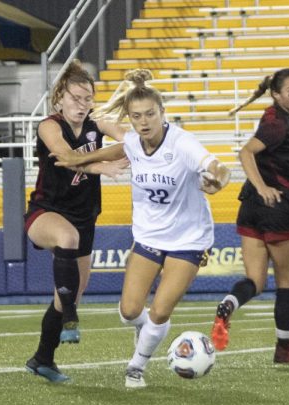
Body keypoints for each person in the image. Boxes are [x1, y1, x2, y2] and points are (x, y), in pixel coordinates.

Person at [53, 69, 230, 388]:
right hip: (148, 237)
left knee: (160, 310)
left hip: (188, 239)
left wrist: (218, 179)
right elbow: (119, 150)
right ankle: (148, 332)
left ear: (162, 113)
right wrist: (78, 160)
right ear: (131, 119)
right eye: (137, 116)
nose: (144, 121)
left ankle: (137, 365)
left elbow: (216, 166)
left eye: (150, 114)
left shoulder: (182, 143)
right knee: (129, 311)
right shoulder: (134, 142)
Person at [211, 68, 289, 363]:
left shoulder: (275, 118)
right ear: (276, 94)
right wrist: (264, 186)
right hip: (278, 207)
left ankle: (229, 303)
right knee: (286, 282)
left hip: (251, 208)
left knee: (254, 280)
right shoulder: (278, 123)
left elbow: (276, 152)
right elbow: (246, 153)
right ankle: (283, 349)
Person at [25, 60, 128, 383]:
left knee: (72, 290)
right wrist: (103, 164)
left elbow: (130, 142)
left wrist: (129, 140)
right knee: (67, 239)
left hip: (85, 217)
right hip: (46, 212)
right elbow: (65, 157)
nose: (81, 105)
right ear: (60, 98)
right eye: (75, 98)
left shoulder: (97, 123)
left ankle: (42, 358)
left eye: (87, 99)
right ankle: (71, 317)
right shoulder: (49, 125)